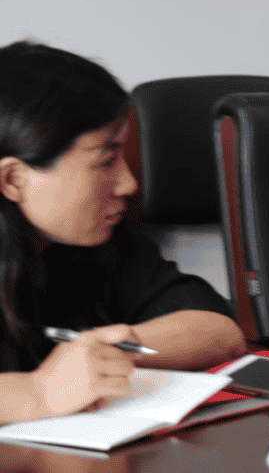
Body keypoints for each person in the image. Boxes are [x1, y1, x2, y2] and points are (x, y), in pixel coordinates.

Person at [0, 41, 246, 423]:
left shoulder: (99, 239)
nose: (129, 185)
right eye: (106, 161)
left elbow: (219, 331)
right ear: (14, 179)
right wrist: (37, 394)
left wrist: (109, 351)